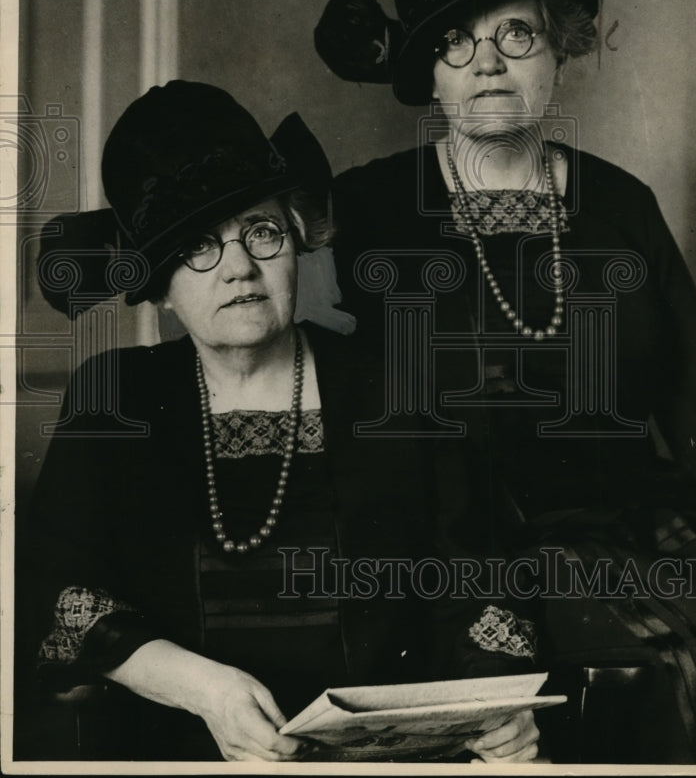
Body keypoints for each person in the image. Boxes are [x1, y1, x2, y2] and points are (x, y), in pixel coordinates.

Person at [314, 0, 696, 764]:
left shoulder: (620, 204)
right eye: (454, 39)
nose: (486, 62)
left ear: (559, 48)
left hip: (641, 527)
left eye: (515, 32)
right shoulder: (366, 211)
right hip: (456, 550)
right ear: (430, 74)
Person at [26, 80, 543, 763]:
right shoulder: (114, 397)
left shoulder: (395, 385)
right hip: (183, 751)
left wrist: (497, 703)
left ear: (296, 240)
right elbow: (56, 593)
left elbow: (475, 582)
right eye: (198, 247)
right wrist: (201, 688)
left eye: (260, 231)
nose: (239, 267)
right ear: (162, 286)